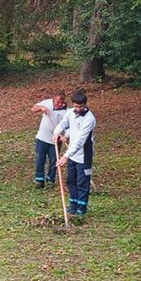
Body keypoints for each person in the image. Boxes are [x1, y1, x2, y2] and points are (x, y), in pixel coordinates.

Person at [54, 90, 96, 218]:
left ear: (85, 105)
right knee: (71, 180)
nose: (77, 109)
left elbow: (80, 140)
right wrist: (57, 132)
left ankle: (81, 208)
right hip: (72, 154)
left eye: (80, 106)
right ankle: (73, 205)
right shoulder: (70, 112)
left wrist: (65, 156)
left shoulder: (89, 119)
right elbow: (64, 124)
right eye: (76, 106)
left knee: (82, 182)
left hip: (84, 155)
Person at [29, 90, 67, 188]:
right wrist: (41, 107)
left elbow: (68, 126)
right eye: (57, 102)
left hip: (55, 140)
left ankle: (51, 179)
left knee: (54, 160)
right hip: (42, 137)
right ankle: (39, 179)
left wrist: (65, 136)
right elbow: (33, 108)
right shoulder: (47, 103)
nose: (59, 104)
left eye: (61, 102)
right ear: (53, 99)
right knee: (40, 158)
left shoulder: (66, 112)